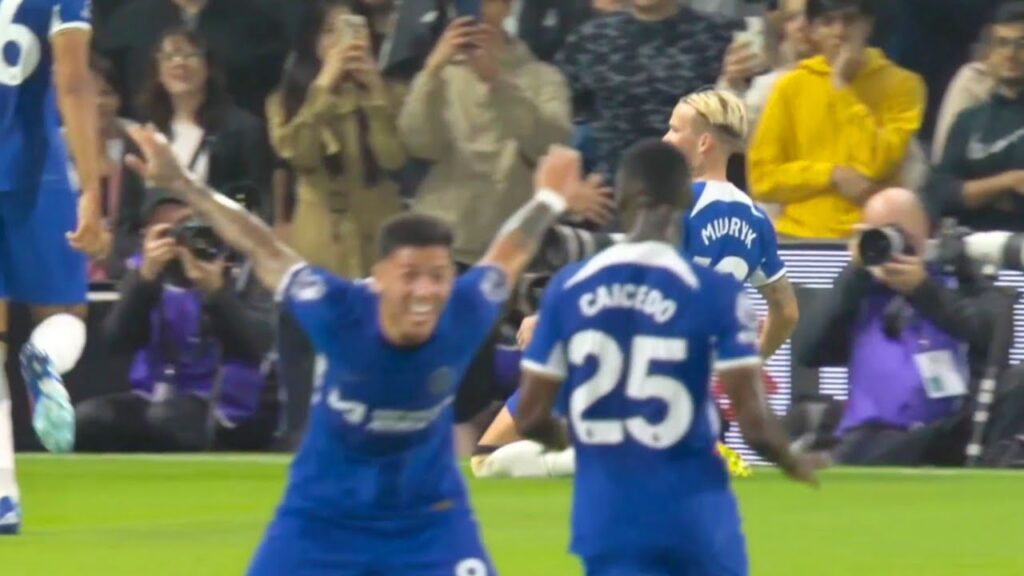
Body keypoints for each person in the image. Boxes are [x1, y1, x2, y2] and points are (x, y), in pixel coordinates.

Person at [121, 119, 593, 574]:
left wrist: (550, 198)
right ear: (380, 278)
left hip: (427, 520)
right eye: (410, 276)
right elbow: (262, 246)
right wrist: (183, 184)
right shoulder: (338, 310)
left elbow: (507, 254)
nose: (425, 292)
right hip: (323, 518)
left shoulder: (465, 311)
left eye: (438, 277)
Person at [514, 139, 823, 576]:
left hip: (605, 517)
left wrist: (577, 439)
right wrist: (792, 460)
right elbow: (752, 419)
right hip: (692, 516)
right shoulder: (716, 293)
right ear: (685, 200)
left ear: (621, 200)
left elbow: (529, 417)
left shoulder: (569, 287)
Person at [796, 187, 1024, 466]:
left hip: (950, 432)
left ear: (928, 234)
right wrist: (854, 274)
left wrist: (922, 290)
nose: (893, 246)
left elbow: (994, 335)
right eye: (879, 234)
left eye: (901, 235)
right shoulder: (857, 290)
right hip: (874, 439)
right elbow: (807, 350)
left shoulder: (957, 276)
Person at [0, 0, 108, 536]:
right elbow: (73, 81)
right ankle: (43, 356)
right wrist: (91, 188)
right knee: (66, 313)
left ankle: (4, 494)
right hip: (35, 174)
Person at [76, 192, 278, 452]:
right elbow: (116, 341)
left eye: (187, 226)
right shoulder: (143, 272)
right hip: (152, 396)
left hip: (223, 406)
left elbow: (257, 345)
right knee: (86, 421)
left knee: (169, 421)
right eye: (165, 232)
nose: (177, 239)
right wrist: (145, 282)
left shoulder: (239, 267)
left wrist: (216, 291)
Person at [747, 0, 926, 239]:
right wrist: (831, 175)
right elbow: (763, 180)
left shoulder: (904, 85)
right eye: (827, 22)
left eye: (849, 20)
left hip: (874, 235)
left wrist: (841, 88)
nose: (839, 32)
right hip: (796, 236)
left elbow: (877, 162)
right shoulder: (790, 87)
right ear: (812, 31)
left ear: (868, 24)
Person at [665, 88, 798, 360]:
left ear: (703, 143)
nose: (665, 139)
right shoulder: (757, 218)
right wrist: (751, 363)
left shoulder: (676, 206)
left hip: (666, 366)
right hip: (708, 374)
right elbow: (787, 312)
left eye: (674, 130)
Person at [927, 2, 1024, 233]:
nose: (1010, 54)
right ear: (989, 52)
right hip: (971, 249)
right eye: (1002, 43)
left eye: (1021, 44)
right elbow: (941, 194)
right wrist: (1008, 182)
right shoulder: (968, 121)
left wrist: (973, 191)